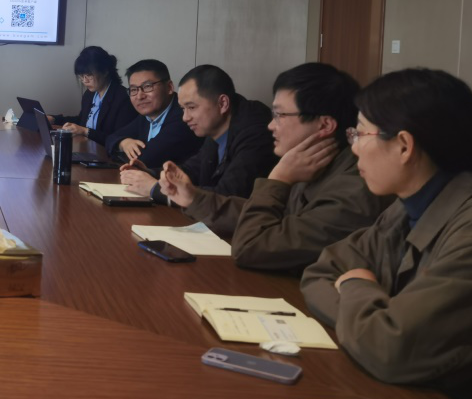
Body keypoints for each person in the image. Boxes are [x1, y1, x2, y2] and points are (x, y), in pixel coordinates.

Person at [301, 69, 472, 399]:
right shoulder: (410, 206)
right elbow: (320, 272)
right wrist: (368, 322)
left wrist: (355, 285)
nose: (353, 149)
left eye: (360, 134)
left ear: (404, 145)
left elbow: (390, 348)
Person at [158, 62, 386, 267]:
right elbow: (270, 217)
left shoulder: (354, 189)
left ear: (325, 125)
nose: (270, 126)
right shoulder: (310, 163)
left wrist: (278, 180)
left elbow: (251, 246)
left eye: (279, 115)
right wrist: (194, 198)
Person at [121, 64, 274, 217]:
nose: (185, 118)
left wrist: (154, 188)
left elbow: (227, 197)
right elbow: (193, 170)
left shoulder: (255, 134)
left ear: (223, 103)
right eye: (183, 109)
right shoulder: (217, 127)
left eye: (192, 107)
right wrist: (151, 173)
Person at [103, 59, 202, 169]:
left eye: (147, 86)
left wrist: (120, 150)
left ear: (169, 87)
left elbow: (145, 159)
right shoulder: (147, 116)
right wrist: (123, 143)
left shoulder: (183, 116)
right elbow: (110, 138)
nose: (140, 96)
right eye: (134, 89)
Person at [48, 45, 134, 146]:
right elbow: (81, 121)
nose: (85, 81)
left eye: (89, 75)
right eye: (81, 76)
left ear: (105, 71)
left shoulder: (123, 98)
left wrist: (85, 131)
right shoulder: (90, 94)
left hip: (106, 153)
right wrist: (54, 119)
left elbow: (118, 139)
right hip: (87, 148)